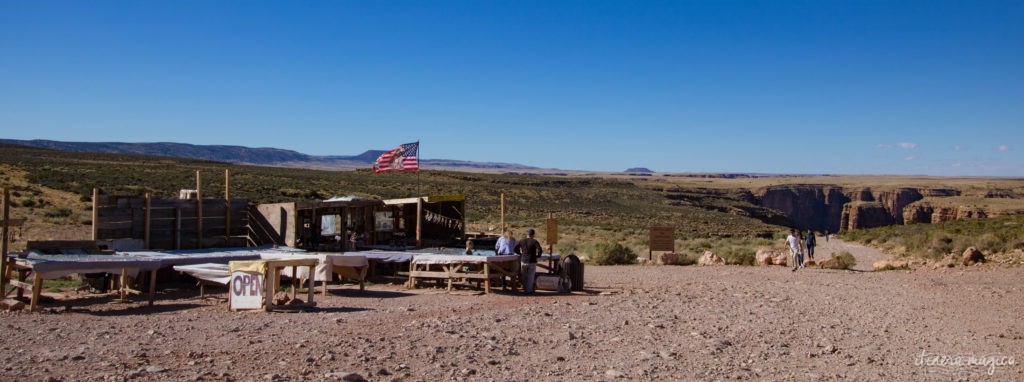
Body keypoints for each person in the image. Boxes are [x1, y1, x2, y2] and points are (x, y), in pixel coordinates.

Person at [514, 228, 543, 293]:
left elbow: (515, 248)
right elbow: (539, 250)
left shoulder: (521, 241)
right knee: (531, 276)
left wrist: (520, 253)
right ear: (533, 234)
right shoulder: (535, 241)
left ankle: (524, 288)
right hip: (532, 261)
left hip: (524, 260)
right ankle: (529, 290)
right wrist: (538, 256)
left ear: (527, 234)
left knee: (524, 276)